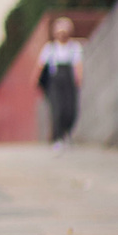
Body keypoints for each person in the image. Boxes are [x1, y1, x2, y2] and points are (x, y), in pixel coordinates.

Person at [39, 17, 83, 150]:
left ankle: (67, 132)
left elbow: (78, 65)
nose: (62, 34)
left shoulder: (75, 48)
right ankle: (57, 138)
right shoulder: (50, 48)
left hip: (69, 82)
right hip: (55, 82)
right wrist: (37, 81)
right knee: (57, 110)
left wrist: (79, 80)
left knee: (70, 110)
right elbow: (40, 66)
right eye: (59, 31)